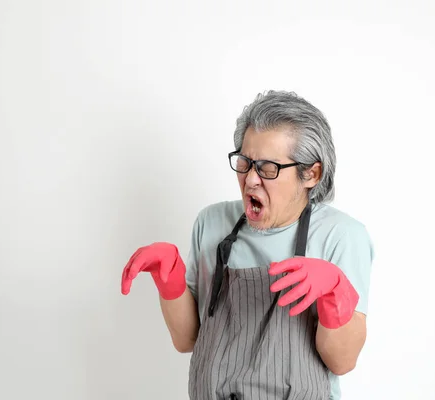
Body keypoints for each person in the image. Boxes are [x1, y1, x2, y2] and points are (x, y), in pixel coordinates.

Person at [121, 90, 375, 400]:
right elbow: (187, 340)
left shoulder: (341, 235)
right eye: (245, 162)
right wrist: (170, 279)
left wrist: (335, 293)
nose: (251, 180)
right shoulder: (212, 223)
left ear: (311, 173)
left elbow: (343, 361)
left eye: (268, 168)